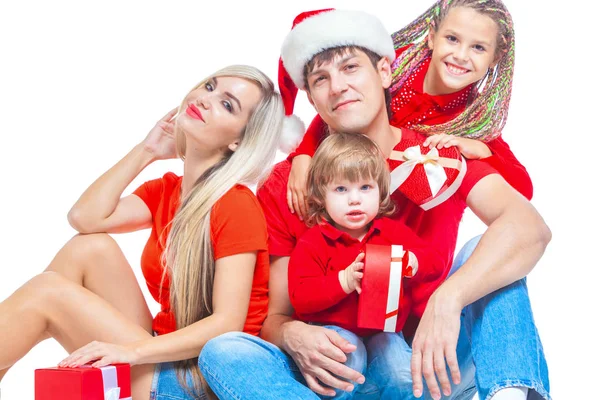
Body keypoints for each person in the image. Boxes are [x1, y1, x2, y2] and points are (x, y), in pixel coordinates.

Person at [199, 8, 551, 400]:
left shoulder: (433, 158)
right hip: (340, 371)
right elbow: (275, 314)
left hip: (432, 363)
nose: (337, 87)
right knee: (222, 353)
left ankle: (510, 394)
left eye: (350, 68)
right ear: (313, 98)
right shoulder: (289, 185)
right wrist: (292, 333)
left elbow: (529, 229)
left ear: (384, 72)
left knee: (487, 255)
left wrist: (449, 300)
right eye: (321, 79)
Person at [0, 65, 284, 399]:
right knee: (89, 249)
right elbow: (84, 218)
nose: (206, 100)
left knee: (46, 292)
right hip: (161, 353)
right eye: (209, 87)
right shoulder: (167, 190)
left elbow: (227, 324)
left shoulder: (236, 205)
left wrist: (132, 351)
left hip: (190, 381)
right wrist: (147, 151)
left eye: (227, 105)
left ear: (238, 140)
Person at [285, 0, 532, 222]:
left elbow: (523, 190)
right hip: (346, 185)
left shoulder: (473, 119)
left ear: (496, 57)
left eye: (478, 48)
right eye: (452, 39)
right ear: (432, 36)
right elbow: (341, 103)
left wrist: (484, 151)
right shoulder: (398, 65)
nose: (460, 55)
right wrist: (303, 153)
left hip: (399, 213)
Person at [289, 132, 447, 399]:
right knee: (348, 357)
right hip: (335, 331)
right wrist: (344, 281)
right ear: (321, 195)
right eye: (341, 189)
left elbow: (436, 262)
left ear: (380, 191)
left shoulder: (393, 232)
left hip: (385, 331)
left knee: (399, 369)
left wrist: (413, 262)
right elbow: (300, 298)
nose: (355, 199)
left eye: (365, 188)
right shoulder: (314, 241)